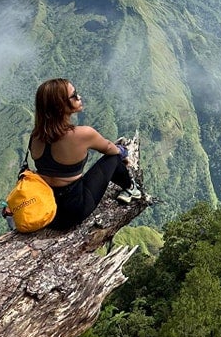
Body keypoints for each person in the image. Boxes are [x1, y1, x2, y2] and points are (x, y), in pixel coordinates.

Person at [29, 77, 142, 229]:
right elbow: (110, 148)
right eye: (74, 95)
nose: (79, 97)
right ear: (60, 105)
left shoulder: (35, 137)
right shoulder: (82, 134)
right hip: (74, 211)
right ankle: (131, 188)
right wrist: (123, 152)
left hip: (47, 211)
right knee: (114, 158)